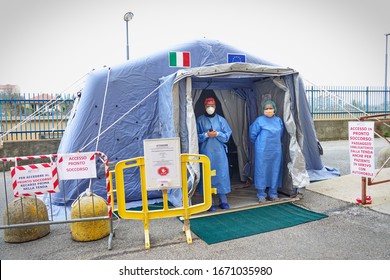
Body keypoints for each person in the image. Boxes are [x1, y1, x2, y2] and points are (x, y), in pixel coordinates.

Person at [197, 97, 232, 211]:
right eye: (208, 106)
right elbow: (195, 137)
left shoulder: (221, 120)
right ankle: (209, 202)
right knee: (207, 176)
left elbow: (227, 136)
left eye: (212, 105)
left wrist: (217, 134)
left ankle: (223, 200)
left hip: (219, 153)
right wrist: (206, 135)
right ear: (204, 106)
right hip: (206, 152)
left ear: (215, 106)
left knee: (221, 175)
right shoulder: (200, 120)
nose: (210, 108)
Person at [249, 100, 284, 203]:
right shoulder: (259, 120)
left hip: (275, 150)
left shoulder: (278, 121)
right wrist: (259, 144)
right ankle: (261, 194)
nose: (269, 110)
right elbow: (252, 135)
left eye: (270, 108)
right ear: (263, 110)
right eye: (266, 108)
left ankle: (273, 193)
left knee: (275, 170)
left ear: (274, 109)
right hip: (262, 150)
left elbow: (280, 134)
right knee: (262, 171)